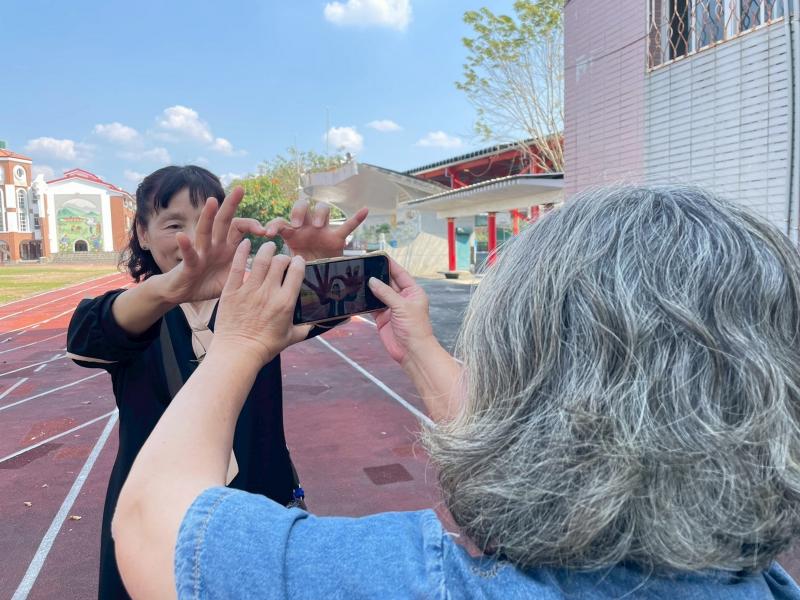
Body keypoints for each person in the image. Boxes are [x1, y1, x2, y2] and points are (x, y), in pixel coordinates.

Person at [113, 185, 800, 598]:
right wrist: (419, 346)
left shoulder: (429, 581)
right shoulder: (762, 581)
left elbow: (154, 527)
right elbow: (537, 454)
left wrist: (235, 344)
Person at [66, 165, 367, 599]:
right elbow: (86, 335)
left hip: (259, 504)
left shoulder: (255, 300)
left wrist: (323, 264)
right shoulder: (138, 311)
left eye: (212, 221)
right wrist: (172, 289)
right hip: (156, 515)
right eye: (175, 224)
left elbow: (346, 297)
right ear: (143, 234)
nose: (197, 237)